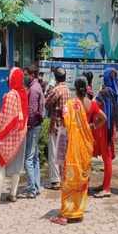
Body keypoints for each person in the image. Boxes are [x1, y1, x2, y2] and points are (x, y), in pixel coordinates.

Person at [50, 77, 106, 225]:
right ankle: (78, 212)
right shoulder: (91, 103)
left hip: (72, 147)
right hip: (85, 146)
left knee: (68, 180)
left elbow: (65, 124)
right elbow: (103, 118)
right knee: (81, 179)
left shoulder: (70, 104)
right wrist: (91, 127)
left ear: (75, 88)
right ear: (86, 87)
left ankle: (67, 214)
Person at [0, 67, 28, 206]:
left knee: (0, 165)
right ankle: (13, 194)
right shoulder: (23, 94)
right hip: (21, 134)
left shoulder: (10, 95)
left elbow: (6, 118)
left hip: (9, 135)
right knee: (16, 166)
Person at [93, 68, 118, 198]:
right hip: (111, 128)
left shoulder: (103, 93)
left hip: (103, 129)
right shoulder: (115, 92)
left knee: (106, 158)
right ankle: (105, 184)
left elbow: (94, 106)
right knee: (107, 158)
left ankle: (107, 188)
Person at [45, 67, 71, 190]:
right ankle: (62, 177)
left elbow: (47, 103)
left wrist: (49, 88)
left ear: (55, 78)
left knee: (54, 152)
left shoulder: (57, 90)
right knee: (62, 152)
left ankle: (55, 181)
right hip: (65, 124)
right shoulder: (68, 90)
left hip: (56, 124)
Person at [24, 65, 45, 198]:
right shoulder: (38, 87)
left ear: (31, 75)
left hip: (33, 126)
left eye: (26, 74)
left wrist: (28, 125)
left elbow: (31, 111)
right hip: (38, 125)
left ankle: (32, 189)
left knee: (29, 159)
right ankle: (36, 186)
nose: (24, 77)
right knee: (35, 158)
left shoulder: (33, 89)